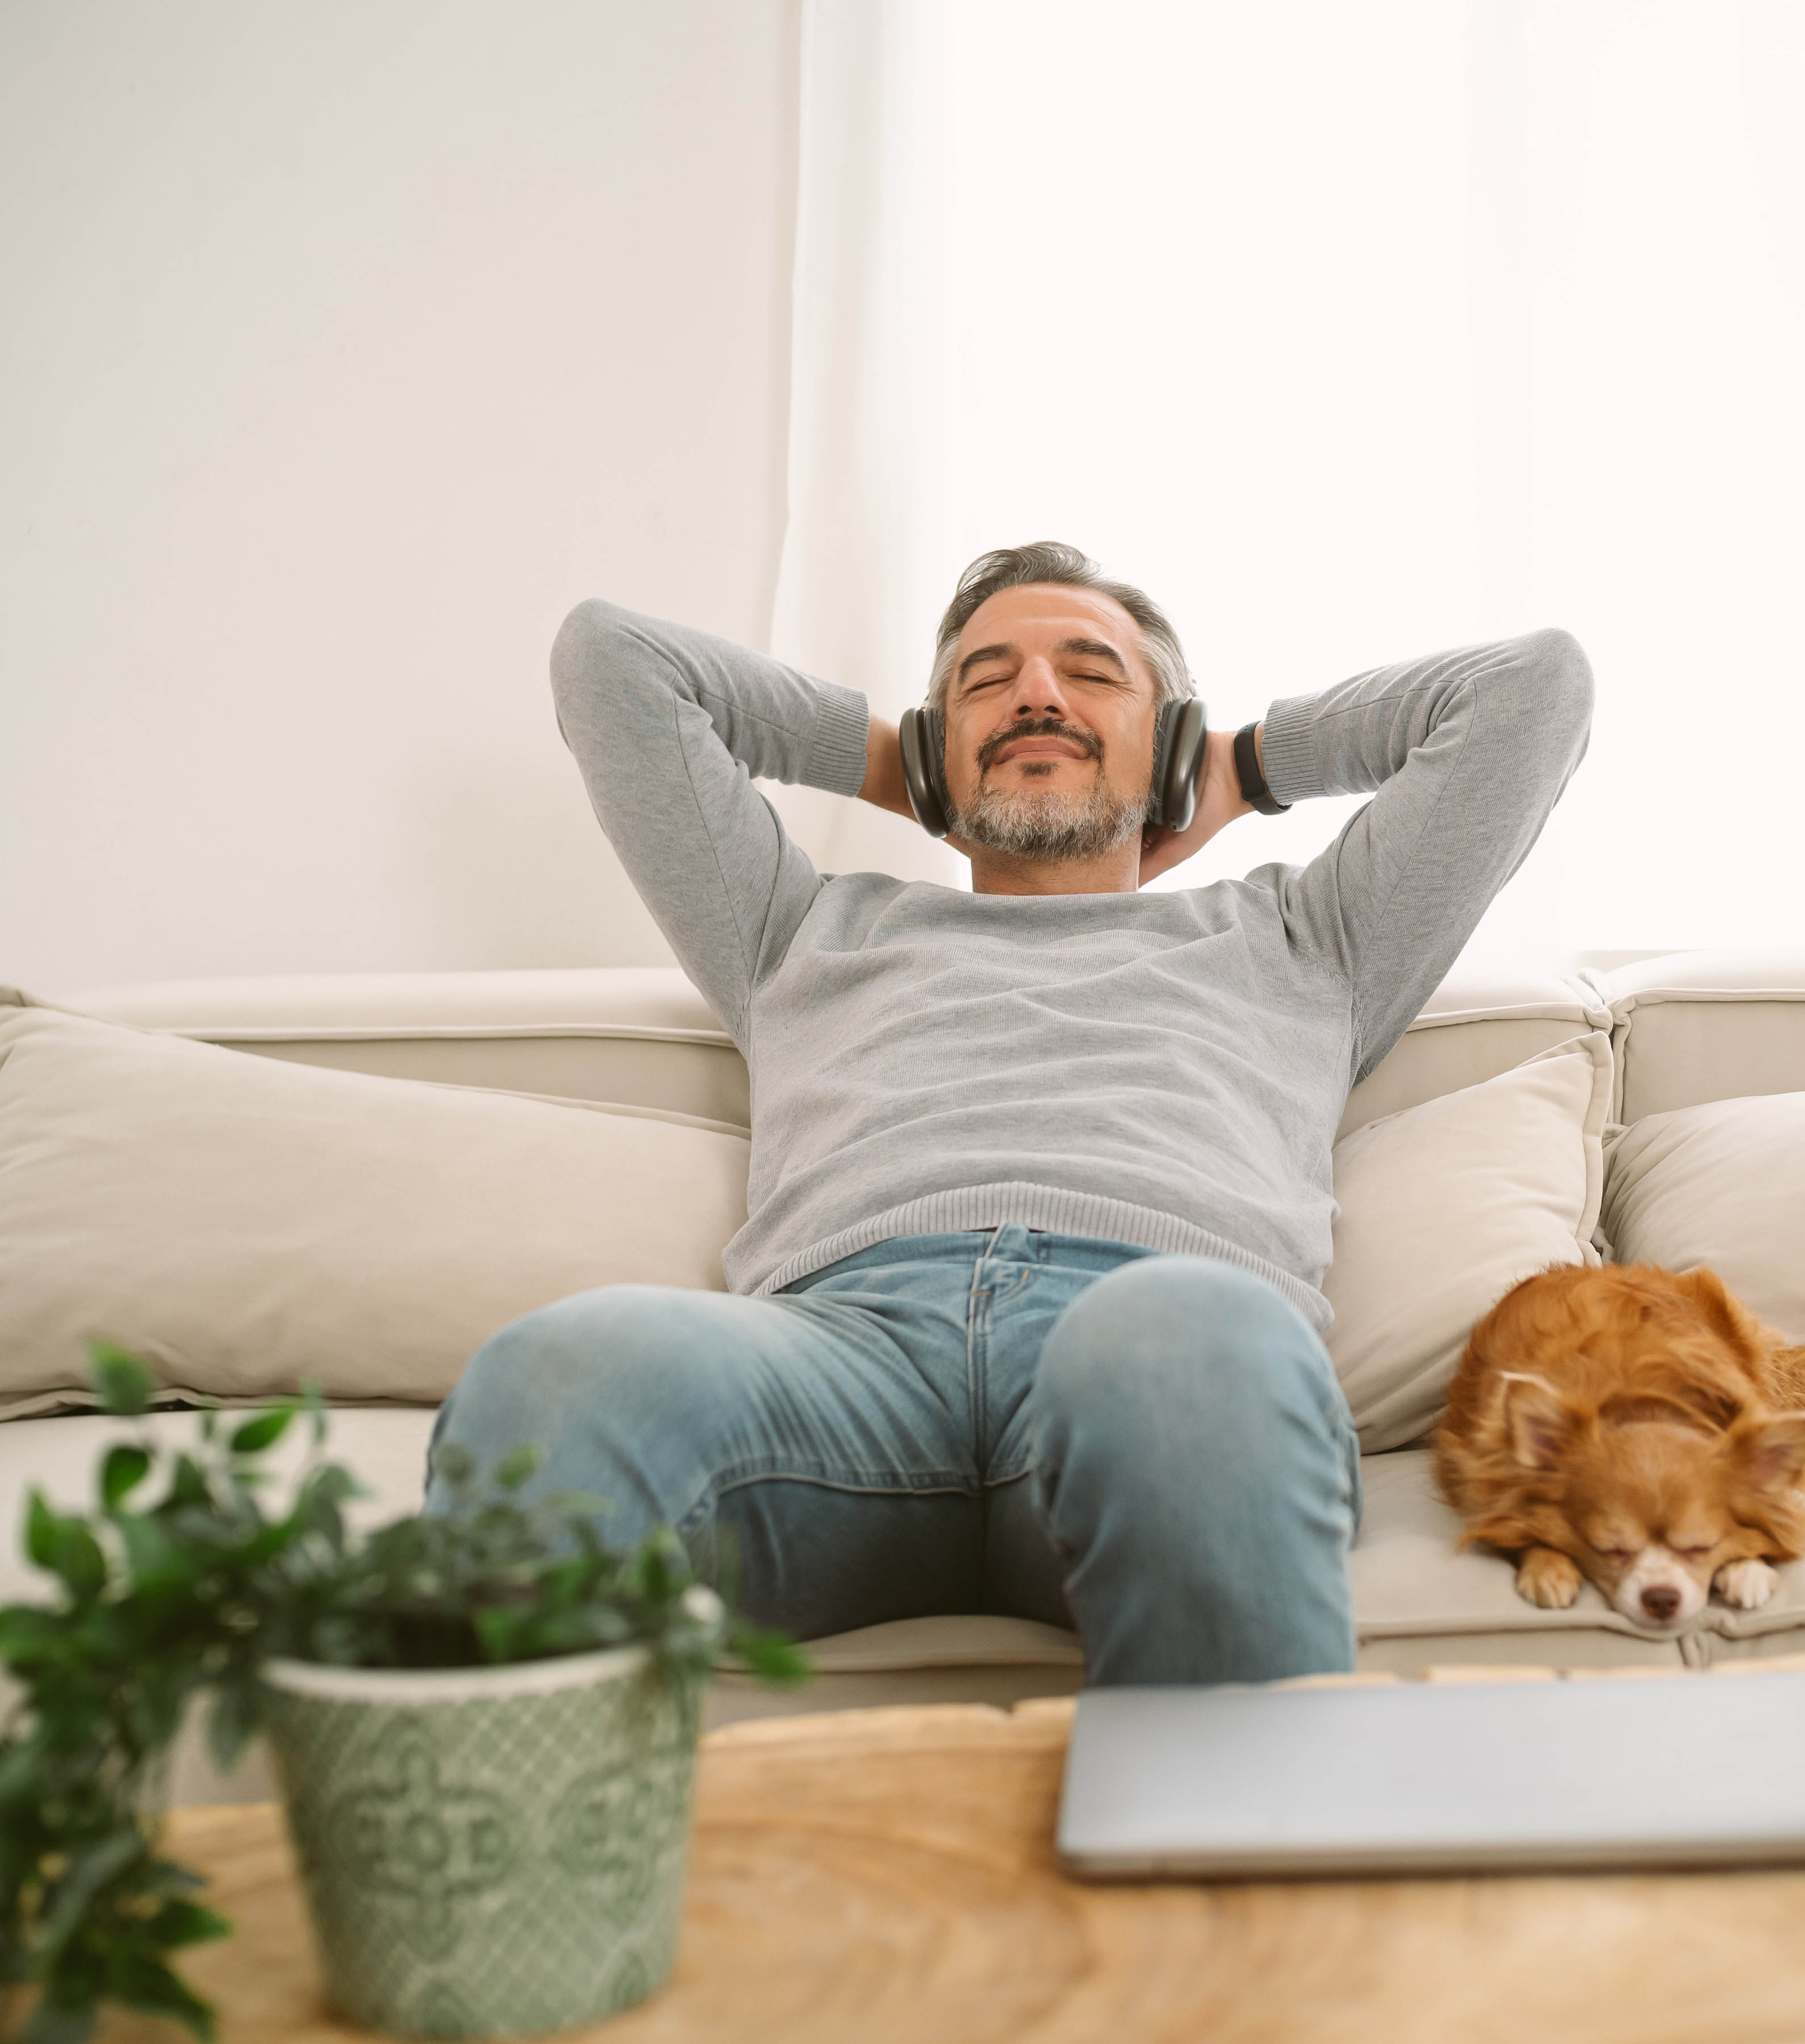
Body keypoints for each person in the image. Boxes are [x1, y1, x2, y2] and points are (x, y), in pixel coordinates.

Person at [431, 541, 1591, 1684]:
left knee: (1180, 1338)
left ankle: (1233, 1862)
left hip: (1154, 1348)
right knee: (557, 1372)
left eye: (1090, 673)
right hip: (840, 1365)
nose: (1035, 692)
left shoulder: (1310, 937)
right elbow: (612, 660)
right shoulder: (795, 931)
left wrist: (1239, 765)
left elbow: (1531, 690)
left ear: (1171, 736)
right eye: (985, 682)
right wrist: (896, 761)